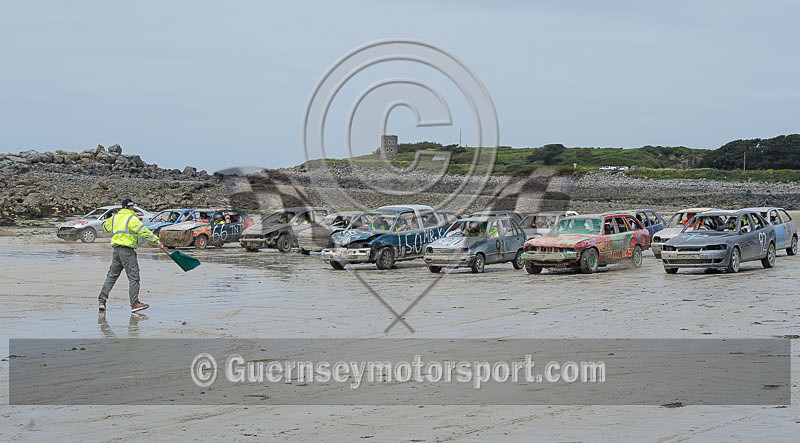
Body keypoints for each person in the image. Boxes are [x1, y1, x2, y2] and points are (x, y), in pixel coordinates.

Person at [98, 199, 163, 313]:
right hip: (127, 251)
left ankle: (102, 300)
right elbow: (143, 231)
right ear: (129, 207)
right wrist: (156, 241)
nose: (134, 207)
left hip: (116, 251)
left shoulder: (115, 218)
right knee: (134, 277)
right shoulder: (131, 218)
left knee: (112, 276)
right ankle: (134, 304)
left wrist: (107, 220)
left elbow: (105, 227)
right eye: (132, 206)